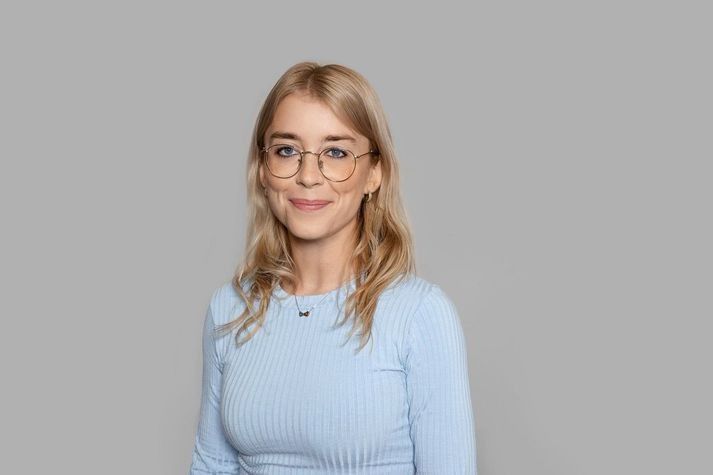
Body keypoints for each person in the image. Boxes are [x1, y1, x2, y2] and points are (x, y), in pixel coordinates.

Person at [189, 61, 477, 474]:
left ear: (374, 173)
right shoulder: (231, 309)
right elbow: (211, 466)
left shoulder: (420, 315)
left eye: (336, 153)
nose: (308, 176)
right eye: (287, 150)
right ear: (263, 170)